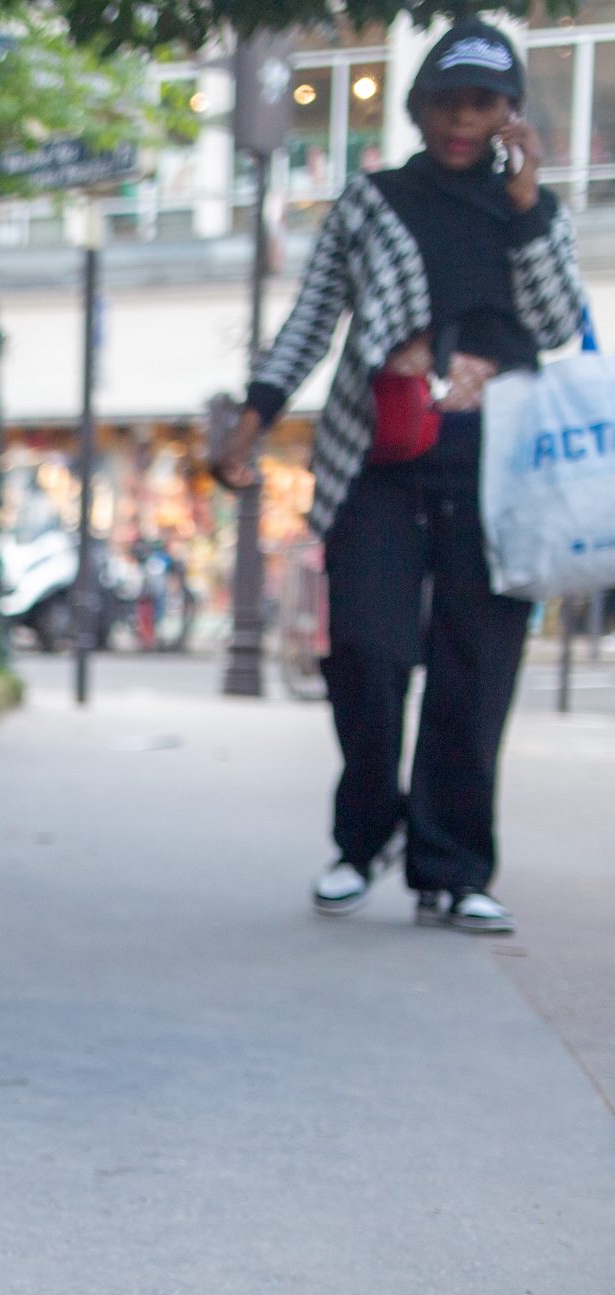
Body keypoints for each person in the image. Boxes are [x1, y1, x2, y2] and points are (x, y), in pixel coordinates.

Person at [215, 19, 587, 934]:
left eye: (484, 101)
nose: (465, 118)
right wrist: (252, 421)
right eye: (448, 101)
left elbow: (556, 322)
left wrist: (531, 200)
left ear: (509, 113)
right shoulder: (370, 200)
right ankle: (363, 835)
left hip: (499, 474)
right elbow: (309, 321)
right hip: (380, 459)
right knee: (369, 655)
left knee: (476, 671)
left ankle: (452, 868)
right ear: (419, 109)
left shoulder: (530, 210)